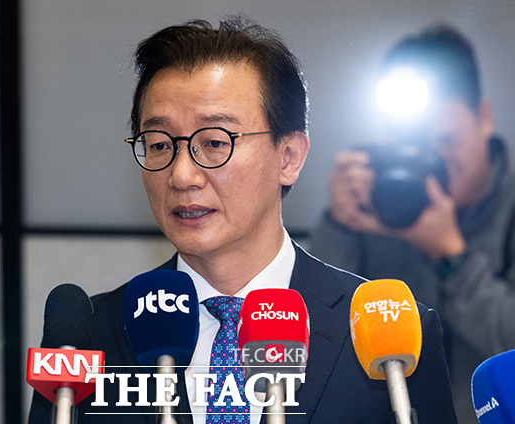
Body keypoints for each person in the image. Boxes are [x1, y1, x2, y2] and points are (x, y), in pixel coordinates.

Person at [29, 15, 458, 423]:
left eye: (215, 142)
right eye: (159, 144)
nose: (182, 175)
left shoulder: (388, 335)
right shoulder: (87, 338)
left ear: (289, 157)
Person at [309, 24, 515, 424]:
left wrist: (449, 257)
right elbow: (319, 333)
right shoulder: (378, 205)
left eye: (447, 140)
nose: (433, 159)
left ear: (485, 118)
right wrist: (340, 225)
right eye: (414, 145)